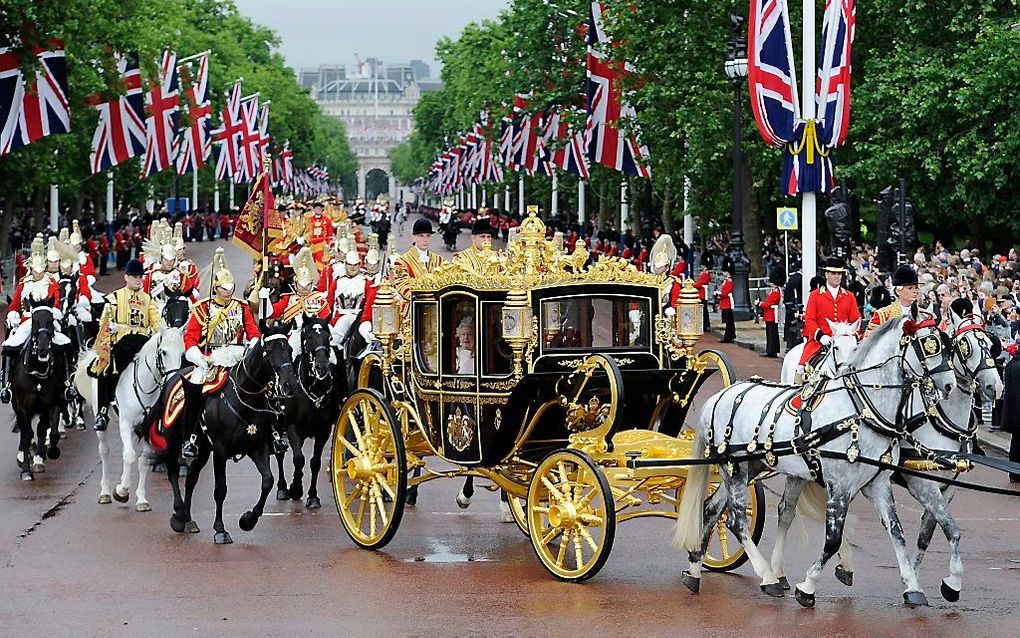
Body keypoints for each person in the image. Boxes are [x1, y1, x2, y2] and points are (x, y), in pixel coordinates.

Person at [180, 248, 263, 459]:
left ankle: (271, 430)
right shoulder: (201, 309)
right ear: (216, 288)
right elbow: (190, 339)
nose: (228, 291)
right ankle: (190, 437)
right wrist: (199, 358)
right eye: (224, 288)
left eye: (231, 287)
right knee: (194, 389)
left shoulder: (241, 307)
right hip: (209, 359)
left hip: (236, 355)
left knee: (262, 381)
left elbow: (253, 332)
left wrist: (252, 346)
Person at [87, 258, 162, 430]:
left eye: (140, 277)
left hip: (142, 341)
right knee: (105, 366)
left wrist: (164, 334)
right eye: (135, 276)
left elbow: (156, 322)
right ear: (126, 277)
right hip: (121, 341)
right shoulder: (114, 297)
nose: (138, 280)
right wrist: (109, 329)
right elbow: (104, 323)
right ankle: (102, 411)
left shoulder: (148, 299)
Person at [1, 235, 62, 404]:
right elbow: (14, 305)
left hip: (45, 319)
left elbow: (56, 302)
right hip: (27, 320)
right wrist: (13, 314)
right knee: (9, 346)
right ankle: (6, 383)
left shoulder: (51, 282)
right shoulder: (23, 282)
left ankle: (66, 381)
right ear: (31, 268)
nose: (39, 272)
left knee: (63, 345)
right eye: (36, 269)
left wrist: (54, 313)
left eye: (41, 269)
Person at [798, 257, 861, 369]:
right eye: (833, 273)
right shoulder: (815, 295)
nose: (837, 277)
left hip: (844, 343)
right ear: (826, 275)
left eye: (839, 274)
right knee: (801, 369)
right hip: (820, 342)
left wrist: (852, 335)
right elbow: (810, 320)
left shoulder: (849, 296)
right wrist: (820, 336)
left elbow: (856, 320)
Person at [265, 247, 330, 325]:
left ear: (312, 284)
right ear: (295, 284)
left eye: (307, 285)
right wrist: (264, 299)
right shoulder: (288, 299)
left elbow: (325, 319)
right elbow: (271, 313)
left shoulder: (319, 298)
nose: (304, 288)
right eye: (300, 285)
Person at [392, 218, 445, 305]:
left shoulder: (439, 260)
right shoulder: (402, 262)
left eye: (428, 235)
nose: (425, 240)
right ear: (413, 237)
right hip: (413, 309)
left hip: (436, 307)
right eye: (421, 236)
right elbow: (402, 286)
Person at [865, 265, 919, 336]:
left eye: (916, 288)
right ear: (898, 291)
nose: (915, 291)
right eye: (910, 288)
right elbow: (869, 341)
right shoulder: (883, 315)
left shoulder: (923, 314)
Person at [759, 266, 784, 357]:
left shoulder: (775, 291)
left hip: (771, 315)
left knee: (771, 334)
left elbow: (768, 304)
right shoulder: (774, 291)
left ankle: (771, 351)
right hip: (770, 314)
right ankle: (771, 350)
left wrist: (759, 304)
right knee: (771, 333)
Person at [719, 269, 735, 343]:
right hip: (725, 302)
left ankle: (728, 337)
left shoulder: (729, 281)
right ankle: (730, 336)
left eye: (724, 271)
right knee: (728, 321)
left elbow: (725, 294)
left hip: (727, 303)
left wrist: (718, 293)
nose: (723, 273)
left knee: (729, 321)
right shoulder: (726, 281)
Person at [694, 266, 712, 331]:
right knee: (704, 310)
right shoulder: (706, 274)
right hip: (702, 293)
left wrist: (693, 285)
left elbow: (699, 284)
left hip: (702, 294)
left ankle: (705, 325)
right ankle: (705, 325)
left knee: (703, 310)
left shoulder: (705, 274)